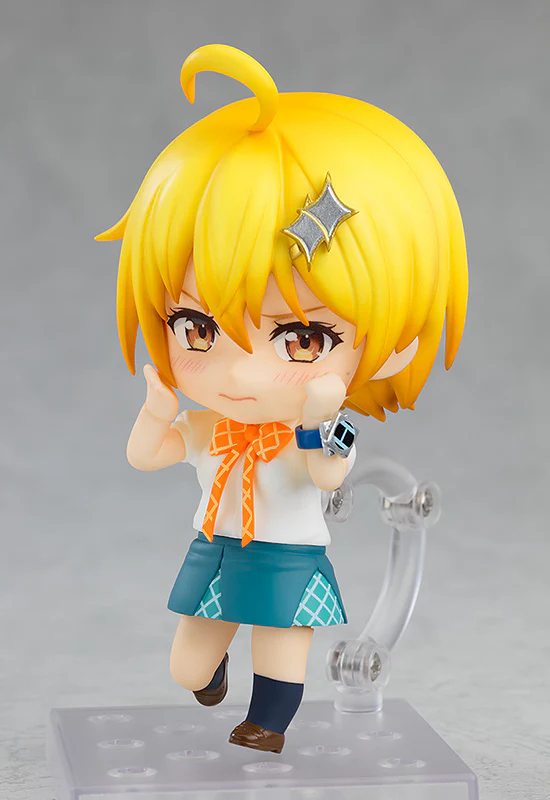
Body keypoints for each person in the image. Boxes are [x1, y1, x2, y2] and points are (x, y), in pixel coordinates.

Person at [97, 44, 468, 753]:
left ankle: (267, 723)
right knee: (186, 667)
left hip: (288, 555)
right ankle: (211, 677)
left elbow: (329, 474)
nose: (240, 373)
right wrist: (157, 410)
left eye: (301, 338)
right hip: (216, 547)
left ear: (392, 344)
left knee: (280, 645)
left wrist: (316, 420)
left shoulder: (321, 428)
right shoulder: (210, 425)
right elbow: (147, 455)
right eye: (198, 328)